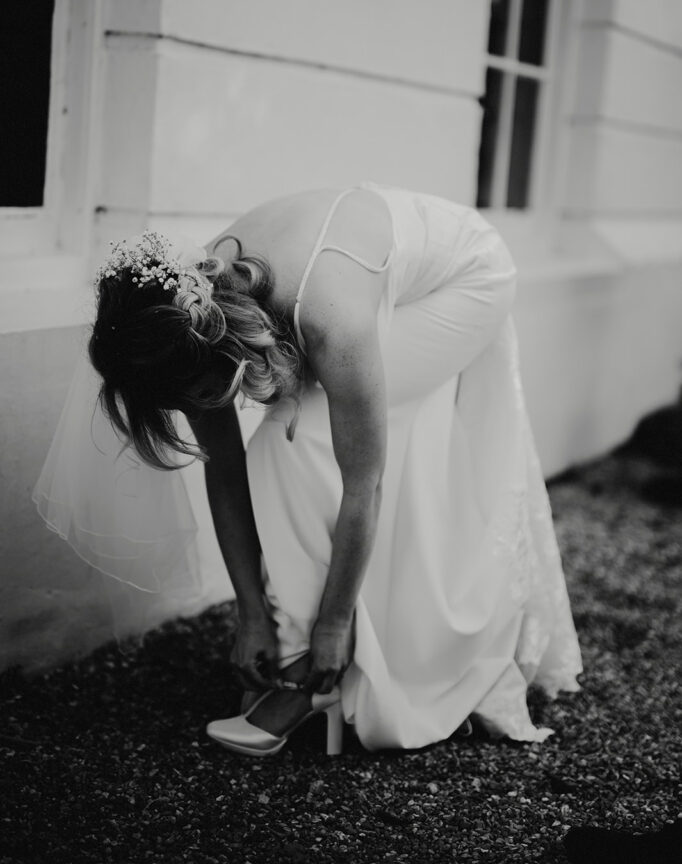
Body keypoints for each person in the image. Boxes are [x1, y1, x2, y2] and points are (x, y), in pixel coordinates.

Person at [34, 183, 582, 754]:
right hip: (365, 267)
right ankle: (298, 645)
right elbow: (224, 470)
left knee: (299, 439)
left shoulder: (324, 318)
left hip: (467, 279)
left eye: (195, 394)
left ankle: (303, 678)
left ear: (217, 352)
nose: (195, 409)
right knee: (288, 437)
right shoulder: (179, 315)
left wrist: (332, 625)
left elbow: (363, 484)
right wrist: (250, 612)